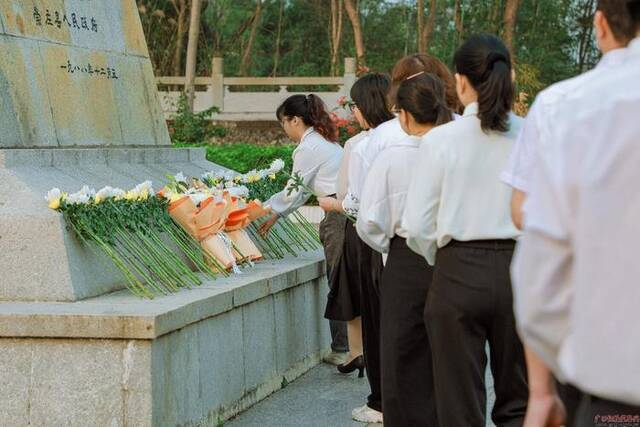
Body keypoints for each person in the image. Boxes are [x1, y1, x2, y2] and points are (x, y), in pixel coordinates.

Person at [500, 2, 637, 425]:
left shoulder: (565, 106)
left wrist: (542, 390)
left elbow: (540, 272)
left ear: (600, 25)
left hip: (616, 385)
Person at [403, 34, 528, 427]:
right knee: (520, 399)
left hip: (457, 270)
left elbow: (418, 224)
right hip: (520, 270)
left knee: (458, 403)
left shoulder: (440, 140)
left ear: (459, 81)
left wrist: (443, 259)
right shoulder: (533, 133)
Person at [339, 53, 459, 424]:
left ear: (402, 112)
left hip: (403, 257)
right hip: (456, 256)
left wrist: (390, 248)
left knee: (401, 353)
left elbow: (369, 221)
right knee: (451, 353)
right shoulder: (460, 142)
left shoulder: (387, 149)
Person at [318, 74, 395, 385]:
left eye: (354, 105)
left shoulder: (359, 144)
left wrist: (331, 205)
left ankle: (357, 353)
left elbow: (348, 197)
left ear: (364, 106)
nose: (353, 112)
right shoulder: (407, 136)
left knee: (358, 293)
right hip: (398, 235)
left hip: (363, 230)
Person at [259, 94, 347, 361]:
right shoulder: (325, 142)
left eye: (283, 123)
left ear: (295, 120)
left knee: (339, 281)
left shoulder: (308, 148)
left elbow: (293, 191)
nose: (284, 129)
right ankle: (351, 347)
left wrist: (262, 209)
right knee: (346, 280)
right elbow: (301, 192)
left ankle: (343, 350)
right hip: (345, 213)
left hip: (337, 217)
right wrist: (277, 215)